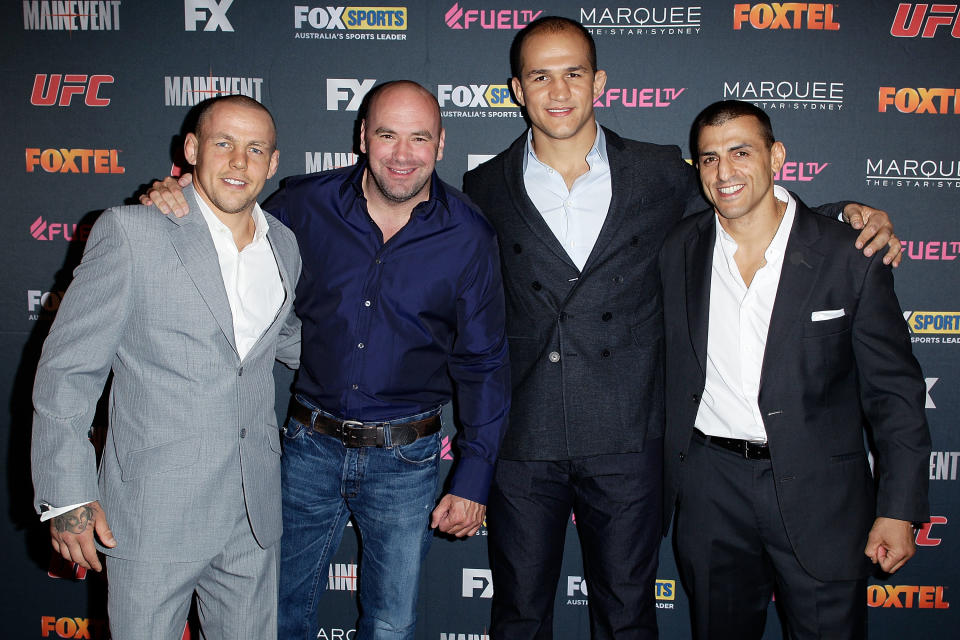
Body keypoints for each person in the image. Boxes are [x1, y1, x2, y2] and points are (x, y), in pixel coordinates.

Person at [461, 16, 901, 640]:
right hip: (525, 439)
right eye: (540, 76)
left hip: (627, 433)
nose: (558, 92)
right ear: (516, 89)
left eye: (573, 73)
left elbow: (746, 204)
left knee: (626, 615)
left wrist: (840, 216)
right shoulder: (482, 186)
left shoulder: (661, 171)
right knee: (518, 615)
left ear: (600, 82)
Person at [143, 81, 510, 640]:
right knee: (279, 615)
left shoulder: (470, 235)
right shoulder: (299, 205)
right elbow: (222, 229)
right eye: (387, 134)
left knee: (389, 625)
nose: (403, 153)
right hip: (305, 450)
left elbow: (484, 363)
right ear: (363, 136)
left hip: (406, 461)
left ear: (441, 143)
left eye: (419, 137)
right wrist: (171, 201)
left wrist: (475, 475)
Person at [31, 95, 301, 639]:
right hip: (153, 513)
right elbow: (68, 373)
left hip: (253, 515)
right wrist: (67, 495)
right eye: (223, 143)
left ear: (273, 164)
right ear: (193, 150)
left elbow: (287, 343)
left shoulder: (285, 247)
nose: (239, 162)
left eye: (256, 149)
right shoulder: (134, 233)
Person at [659, 100, 930, 639]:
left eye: (741, 152)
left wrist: (899, 509)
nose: (725, 172)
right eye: (709, 159)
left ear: (776, 156)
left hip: (822, 493)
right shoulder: (678, 248)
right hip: (712, 488)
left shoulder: (849, 253)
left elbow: (895, 395)